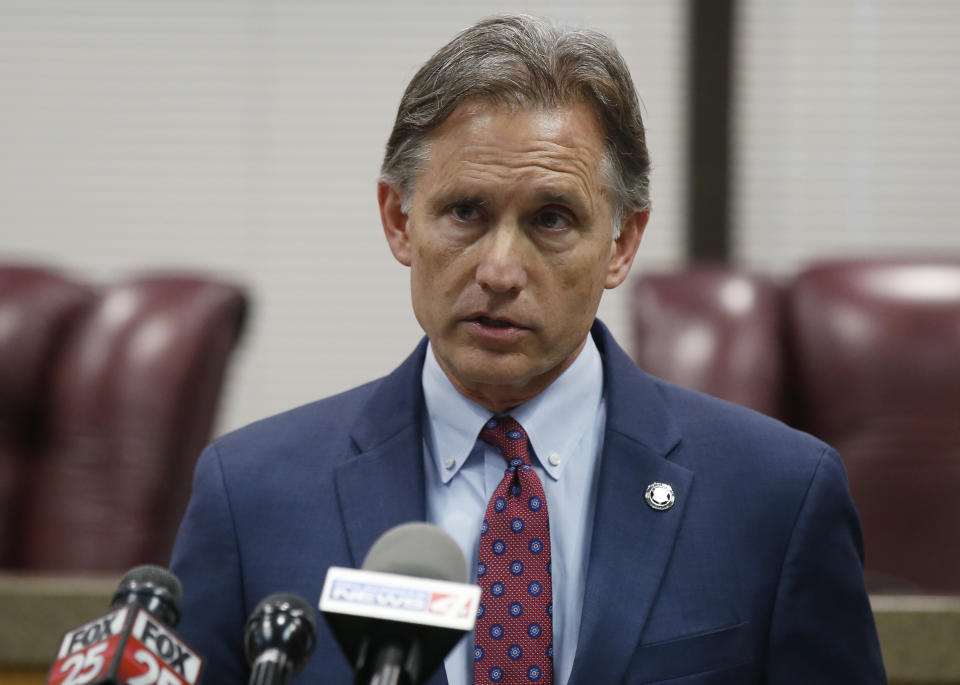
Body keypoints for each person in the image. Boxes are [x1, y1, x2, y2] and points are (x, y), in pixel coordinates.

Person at [170, 14, 886, 685]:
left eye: (551, 218)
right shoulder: (253, 496)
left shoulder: (776, 497)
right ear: (398, 219)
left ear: (622, 242)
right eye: (464, 212)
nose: (500, 271)